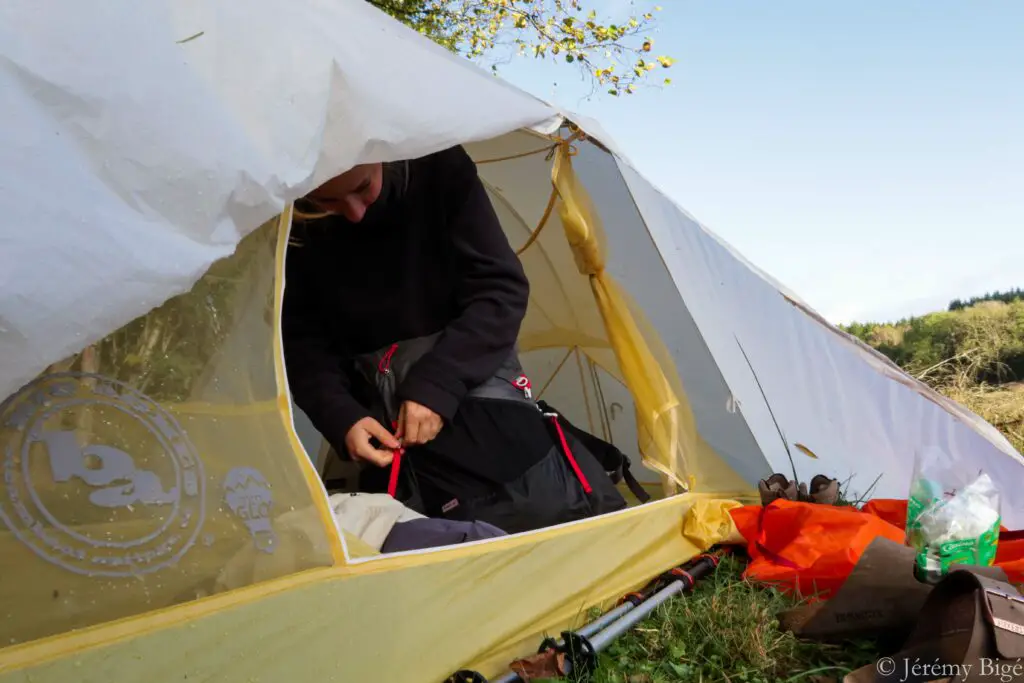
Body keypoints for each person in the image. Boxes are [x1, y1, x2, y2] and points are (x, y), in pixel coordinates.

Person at [282, 145, 625, 535]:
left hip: (471, 388)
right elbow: (300, 342)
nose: (355, 212)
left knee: (537, 509)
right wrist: (340, 415)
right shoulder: (288, 223)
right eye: (327, 201)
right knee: (404, 533)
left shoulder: (437, 165)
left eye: (364, 187)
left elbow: (500, 290)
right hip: (379, 424)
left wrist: (436, 385)